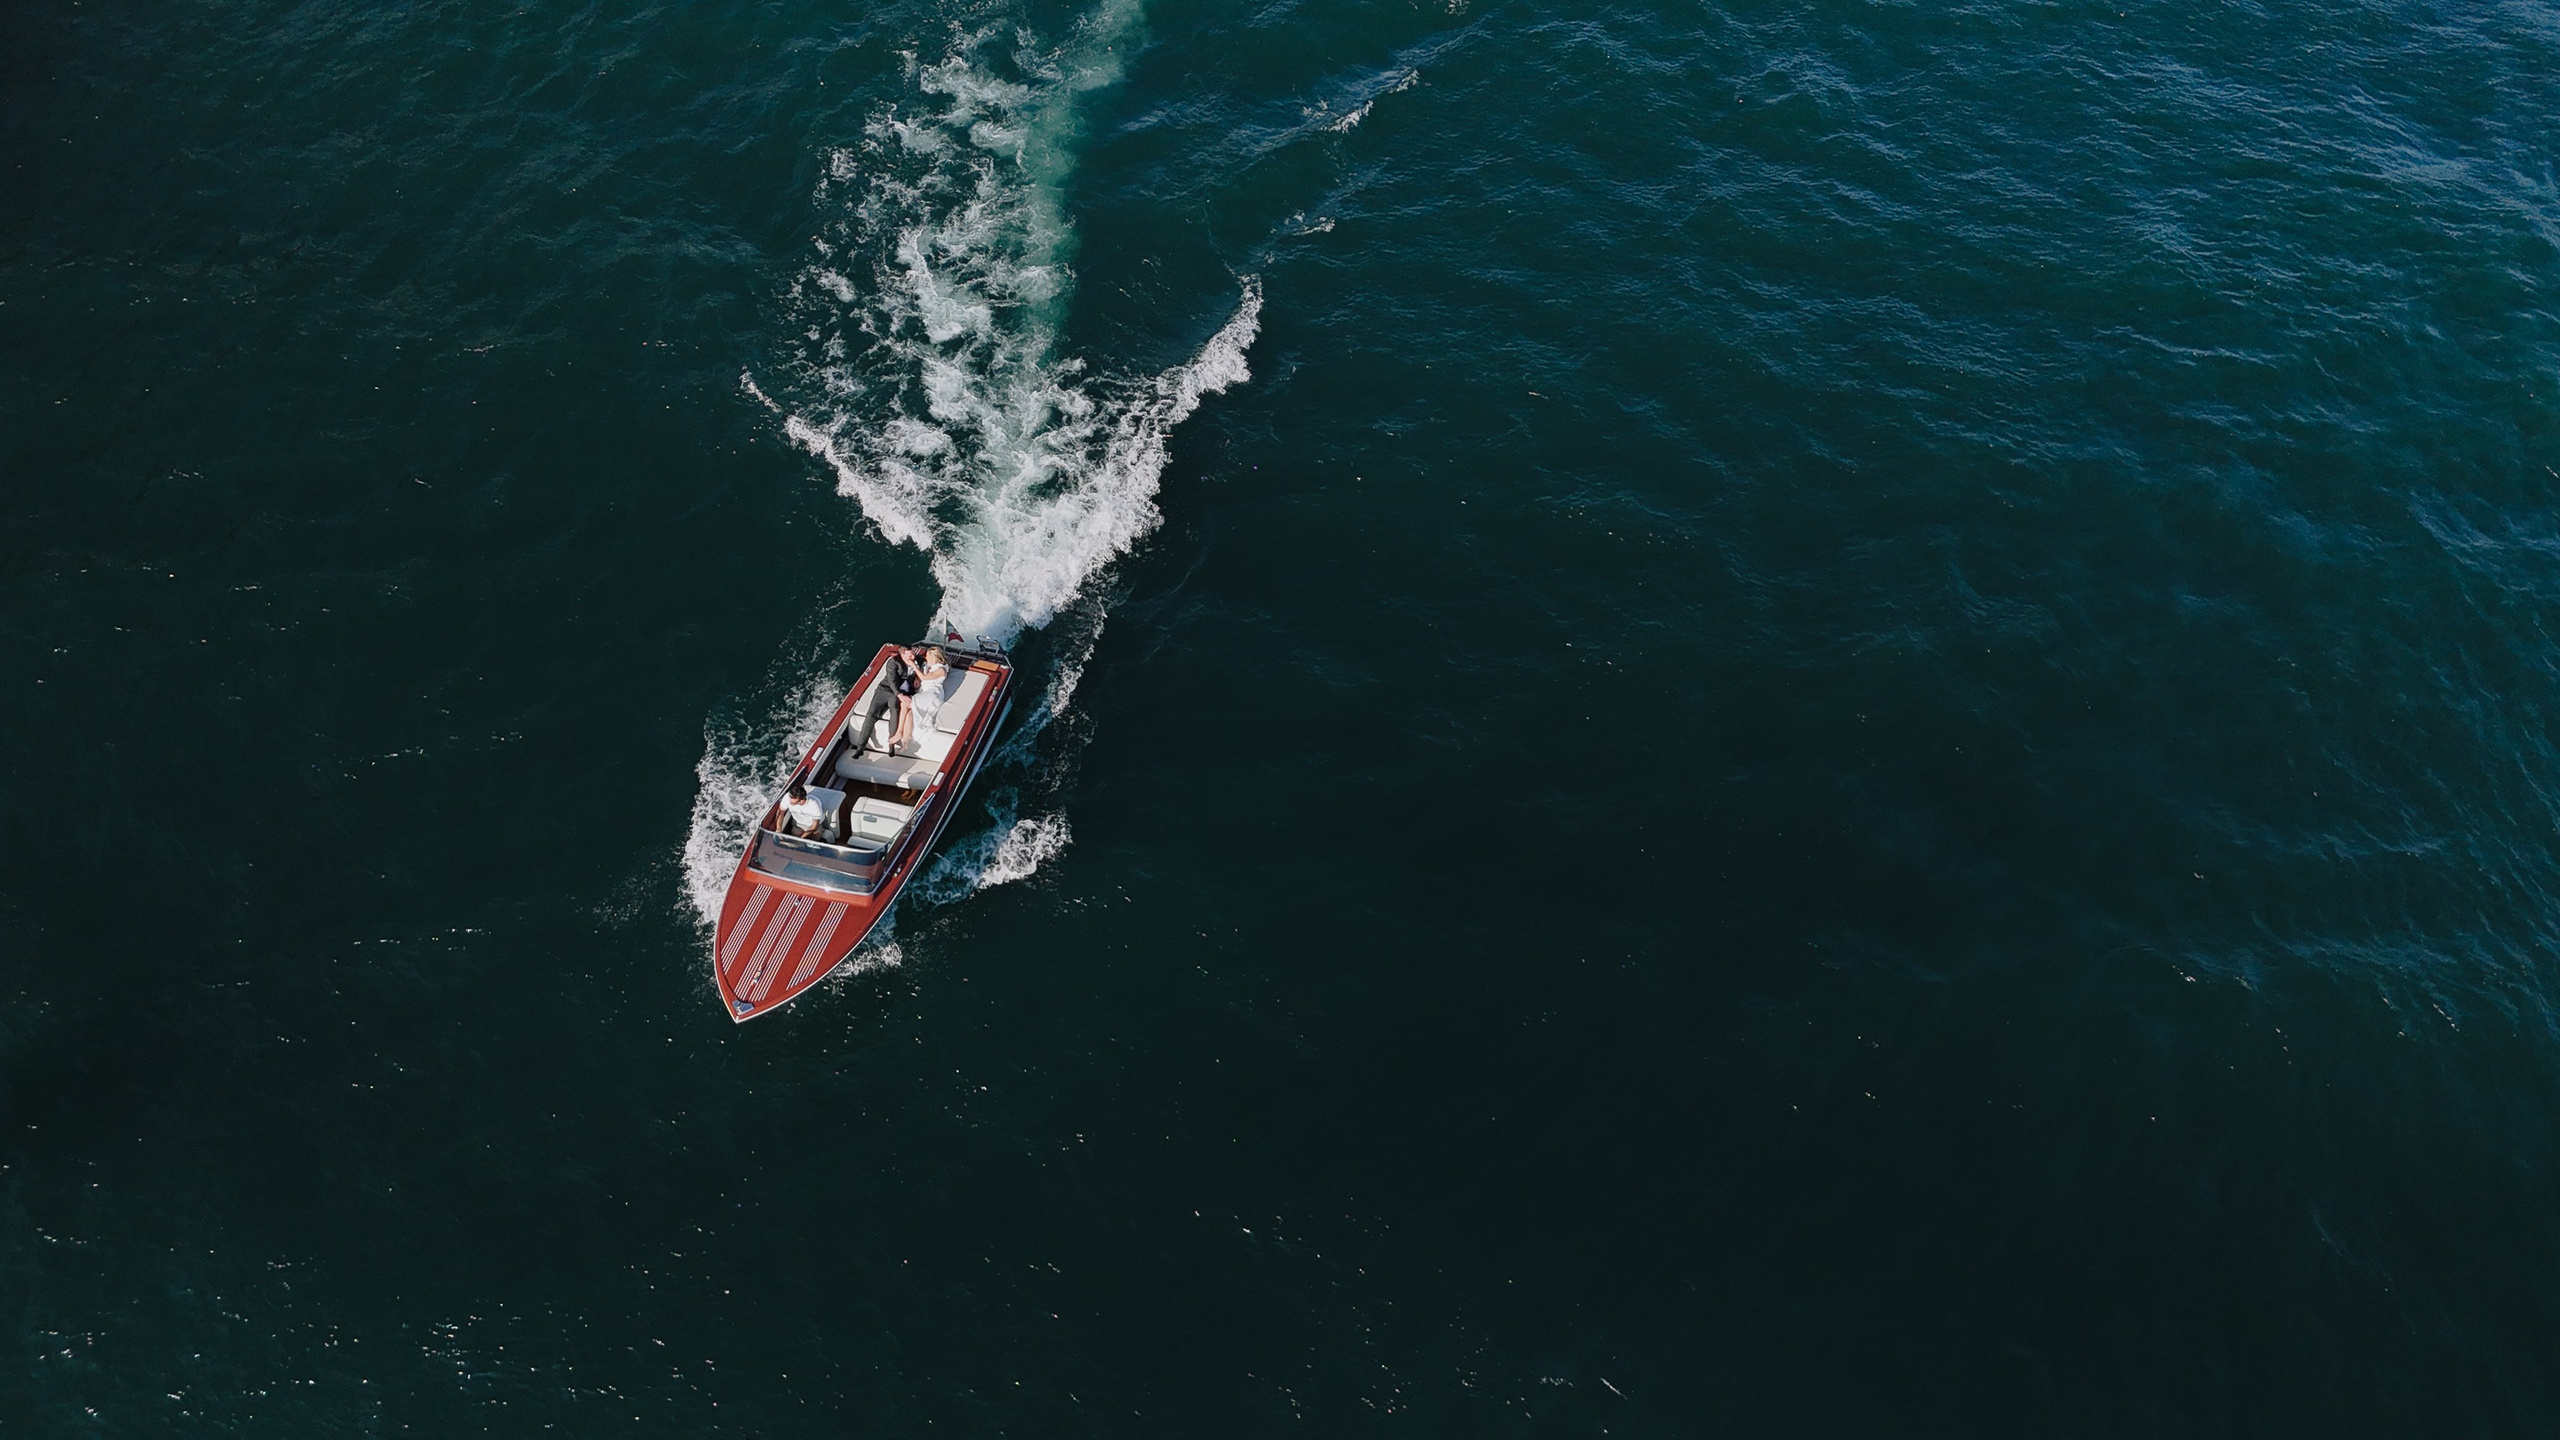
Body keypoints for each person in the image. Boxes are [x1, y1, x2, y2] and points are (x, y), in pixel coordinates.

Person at [847, 645, 916, 757]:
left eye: (913, 653)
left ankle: (891, 745)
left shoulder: (917, 661)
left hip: (898, 694)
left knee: (895, 711)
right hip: (885, 690)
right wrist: (900, 695)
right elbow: (892, 680)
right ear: (903, 655)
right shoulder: (893, 662)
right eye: (910, 655)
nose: (913, 656)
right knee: (871, 715)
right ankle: (860, 747)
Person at [892, 647, 948, 752]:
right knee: (910, 715)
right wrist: (917, 678)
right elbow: (921, 676)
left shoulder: (941, 669)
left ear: (934, 657)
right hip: (924, 692)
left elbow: (924, 677)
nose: (925, 657)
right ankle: (905, 742)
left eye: (928, 656)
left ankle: (899, 732)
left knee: (905, 703)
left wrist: (913, 666)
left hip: (933, 694)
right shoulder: (929, 665)